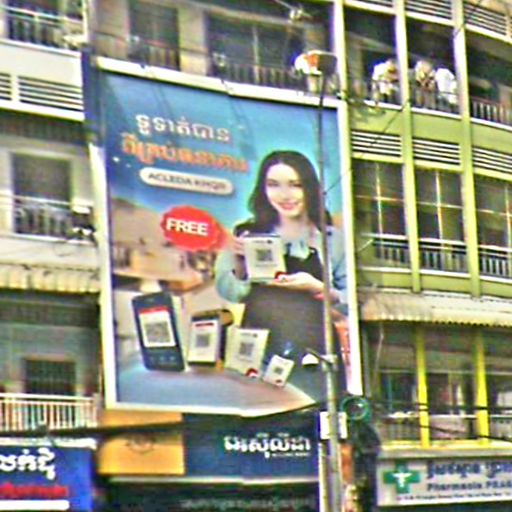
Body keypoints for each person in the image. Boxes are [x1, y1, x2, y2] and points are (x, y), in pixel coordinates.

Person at [215, 150, 346, 381]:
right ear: (263, 190)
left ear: (309, 188)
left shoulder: (333, 239)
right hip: (257, 351)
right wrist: (240, 266)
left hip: (314, 353)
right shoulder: (246, 233)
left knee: (316, 403)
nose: (285, 195)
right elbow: (230, 293)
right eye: (273, 185)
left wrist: (317, 288)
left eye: (295, 185)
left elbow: (353, 302)